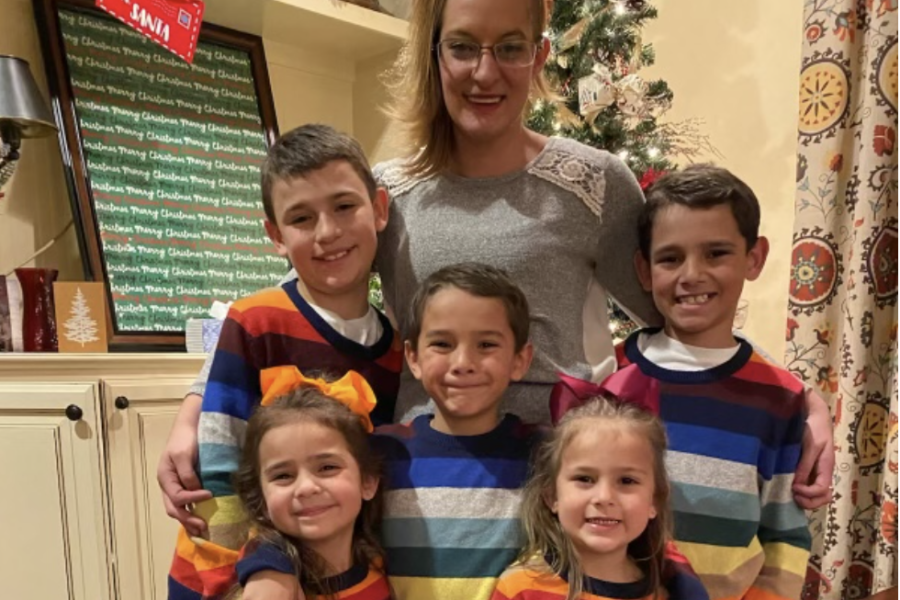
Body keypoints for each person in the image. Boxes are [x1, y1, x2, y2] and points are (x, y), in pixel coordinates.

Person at [373, 0, 834, 509]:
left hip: (563, 496)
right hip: (422, 490)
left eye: (510, 48)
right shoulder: (387, 195)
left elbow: (685, 318)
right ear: (433, 53)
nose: (485, 72)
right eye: (462, 47)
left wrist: (801, 397)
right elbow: (328, 323)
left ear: (540, 55)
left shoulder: (594, 183)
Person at [167, 124, 404, 600]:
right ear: (276, 235)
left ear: (378, 209)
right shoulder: (255, 320)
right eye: (301, 218)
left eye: (344, 206)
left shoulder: (397, 349)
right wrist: (240, 581)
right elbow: (219, 462)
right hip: (236, 577)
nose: (328, 232)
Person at [595, 165, 812, 599]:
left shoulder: (780, 399)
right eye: (670, 258)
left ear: (754, 258)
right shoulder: (611, 378)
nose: (691, 274)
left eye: (716, 253)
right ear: (644, 269)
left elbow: (785, 535)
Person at [371, 263, 542, 600]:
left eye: (486, 345)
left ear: (520, 360)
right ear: (413, 357)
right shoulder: (382, 452)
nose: (463, 361)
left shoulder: (545, 455)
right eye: (443, 344)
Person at [492, 397, 709, 600]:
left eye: (626, 481)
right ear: (551, 496)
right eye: (585, 478)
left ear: (655, 500)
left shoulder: (670, 591)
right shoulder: (521, 589)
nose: (604, 498)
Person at [224, 368, 391, 600]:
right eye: (283, 476)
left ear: (368, 481)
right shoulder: (267, 584)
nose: (305, 488)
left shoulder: (382, 566)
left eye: (327, 468)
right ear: (261, 499)